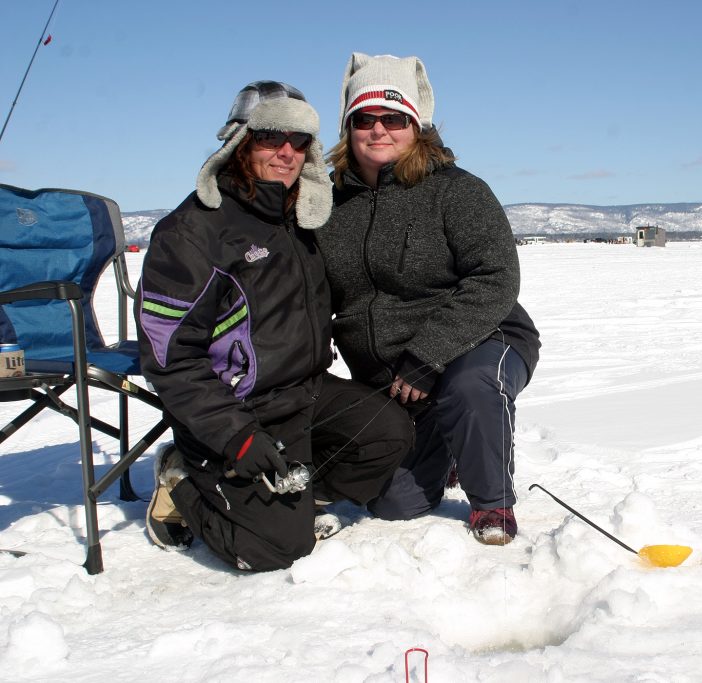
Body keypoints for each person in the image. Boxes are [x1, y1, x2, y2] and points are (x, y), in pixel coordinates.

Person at [135, 81, 414, 572]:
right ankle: (183, 482)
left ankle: (293, 500)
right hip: (238, 408)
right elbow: (169, 359)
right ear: (239, 141)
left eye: (299, 140)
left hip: (304, 392)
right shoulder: (193, 232)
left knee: (388, 433)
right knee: (276, 551)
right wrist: (236, 435)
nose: (286, 152)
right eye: (269, 137)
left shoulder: (297, 220)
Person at [316, 54, 541, 546]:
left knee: (470, 386)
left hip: (483, 336)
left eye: (394, 119)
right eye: (365, 119)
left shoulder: (456, 191)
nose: (379, 130)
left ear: (416, 127)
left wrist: (428, 355)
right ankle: (447, 441)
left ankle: (492, 504)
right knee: (397, 502)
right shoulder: (327, 204)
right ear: (348, 127)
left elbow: (496, 278)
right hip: (395, 376)